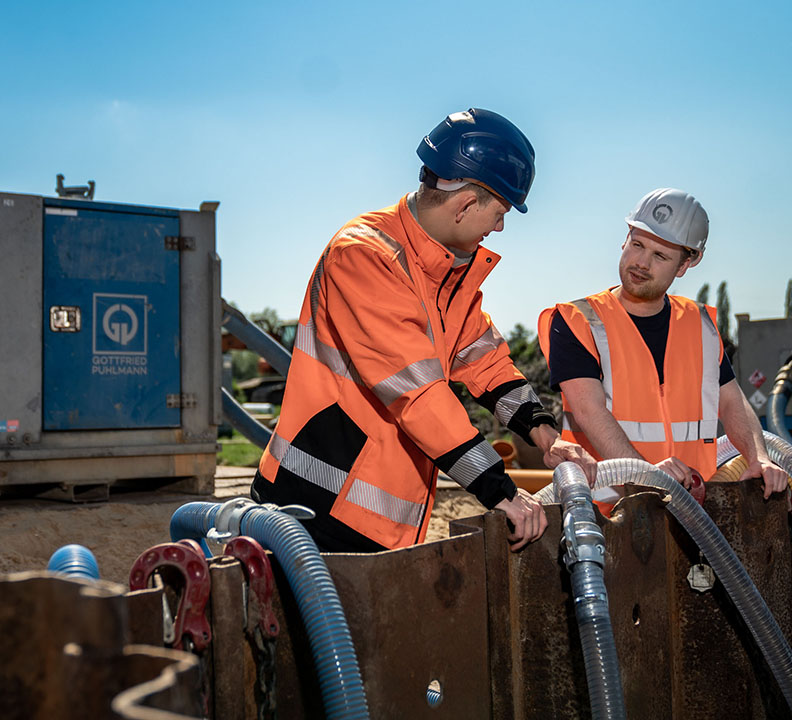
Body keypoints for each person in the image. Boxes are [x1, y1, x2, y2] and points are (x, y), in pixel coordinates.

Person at [250, 108, 595, 553]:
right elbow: (419, 394)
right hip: (315, 506)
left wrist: (548, 437)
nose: (500, 227)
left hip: (378, 518)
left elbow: (486, 363)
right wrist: (500, 491)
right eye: (501, 211)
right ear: (466, 203)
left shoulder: (445, 268)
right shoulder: (364, 256)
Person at [537, 188, 787, 500]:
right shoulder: (577, 320)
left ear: (685, 265)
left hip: (693, 511)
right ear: (625, 238)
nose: (641, 262)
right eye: (637, 244)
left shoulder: (699, 324)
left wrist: (758, 456)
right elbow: (589, 412)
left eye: (660, 256)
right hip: (603, 516)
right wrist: (649, 476)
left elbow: (731, 401)